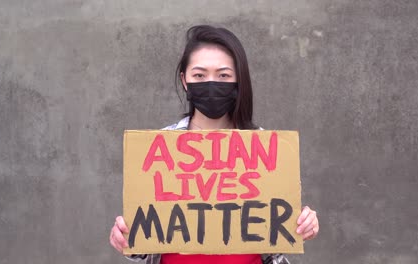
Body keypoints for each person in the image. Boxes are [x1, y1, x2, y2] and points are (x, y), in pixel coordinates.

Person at [109, 25, 319, 264]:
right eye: (199, 75)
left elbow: (275, 234)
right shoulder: (159, 148)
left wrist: (303, 224)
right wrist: (127, 239)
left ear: (238, 80)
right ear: (185, 81)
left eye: (223, 75)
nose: (211, 83)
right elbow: (146, 241)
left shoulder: (266, 148)